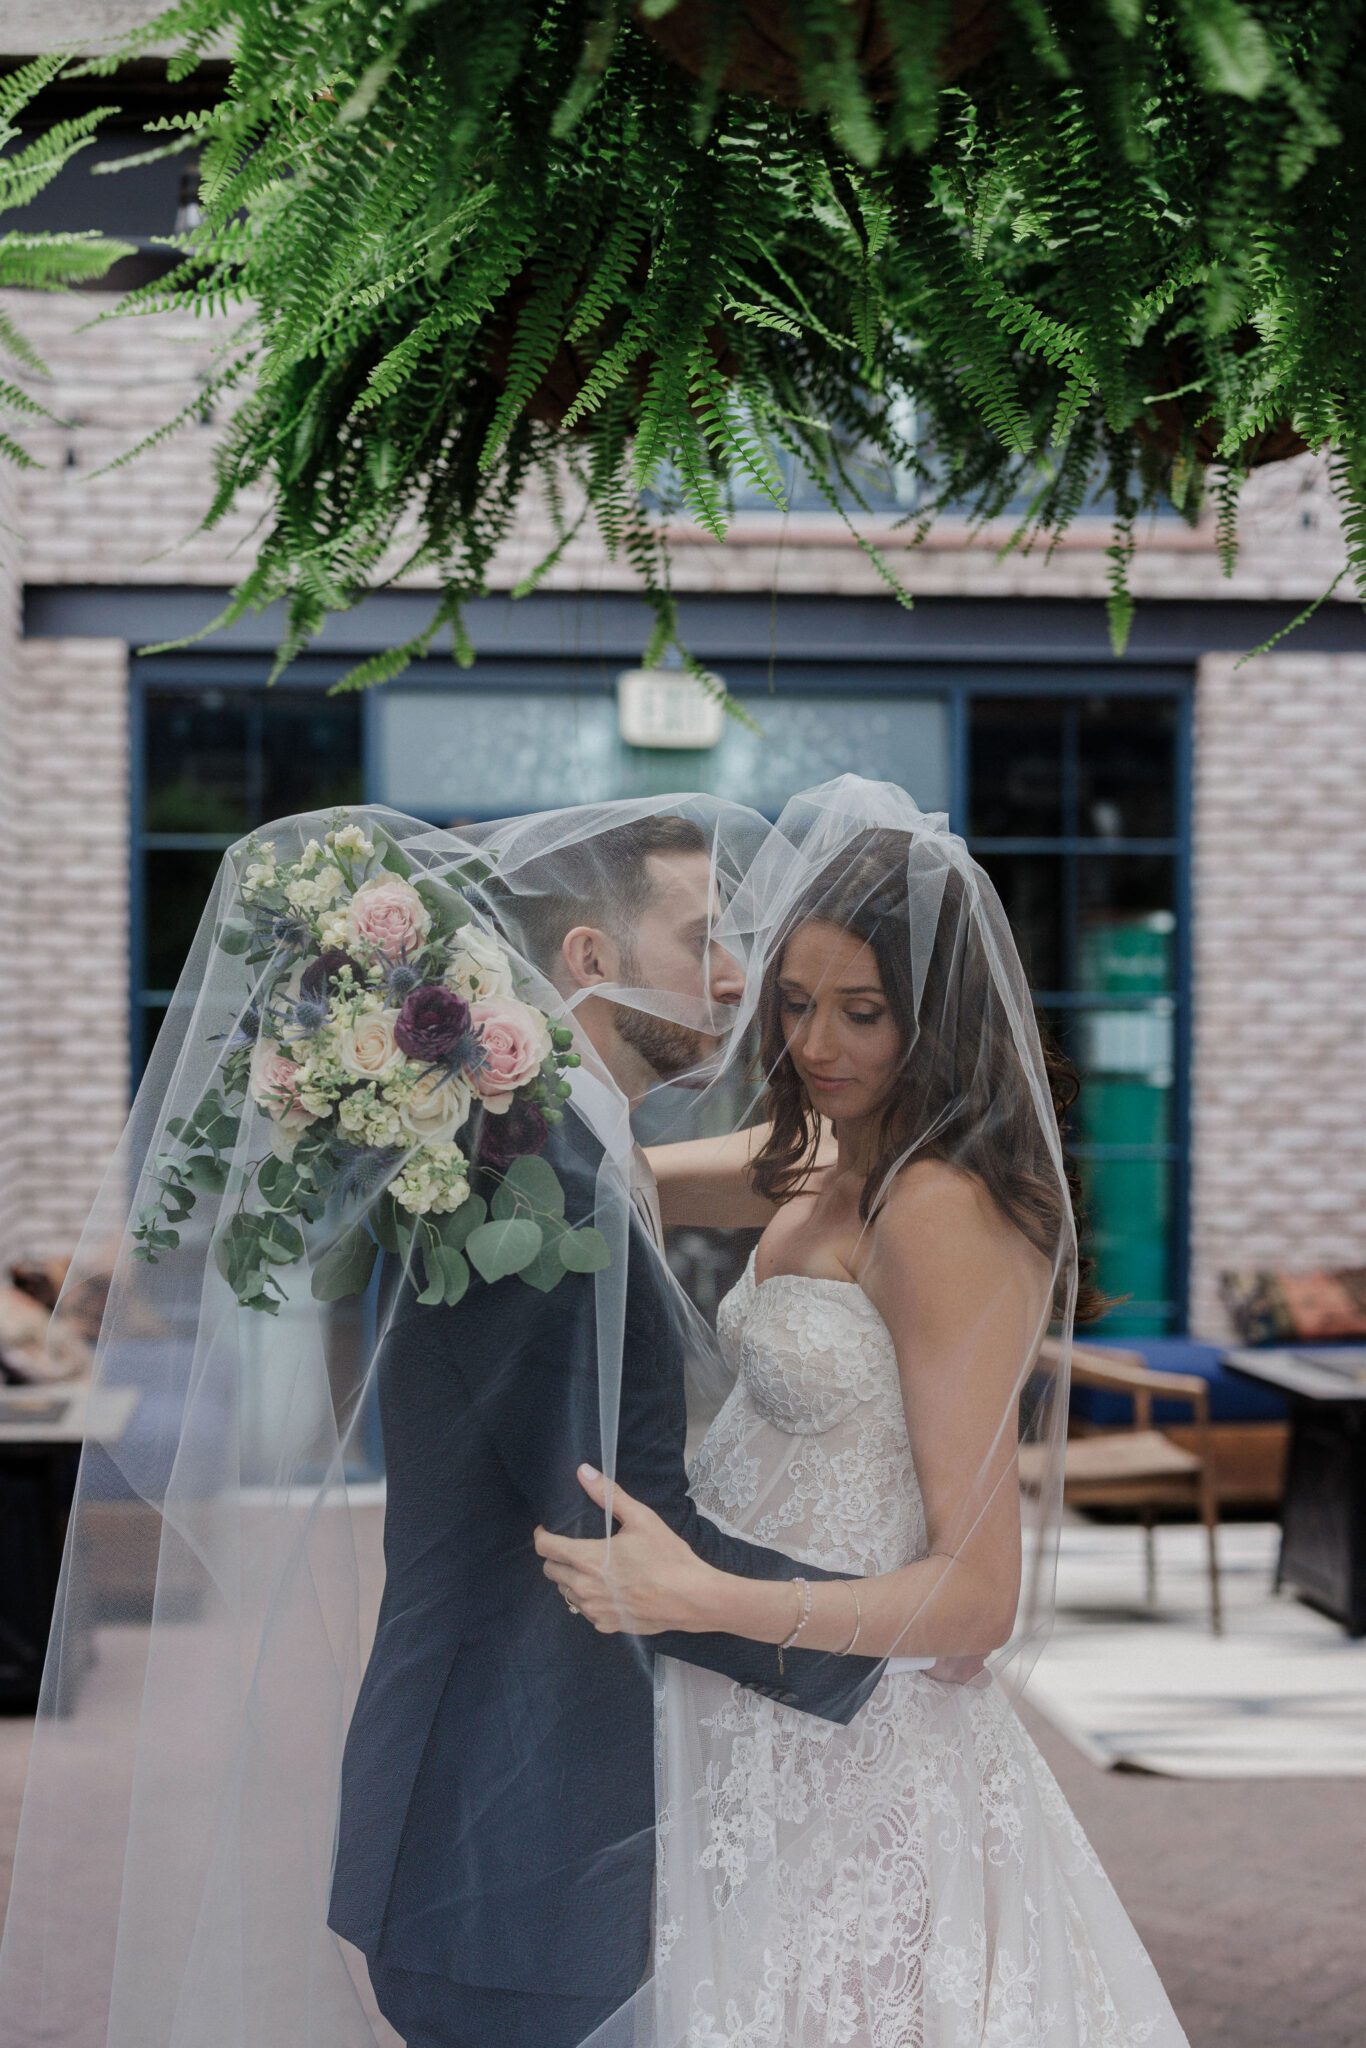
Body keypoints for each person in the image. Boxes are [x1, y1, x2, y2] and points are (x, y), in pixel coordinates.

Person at [536, 786, 1192, 2047]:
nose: (817, 1041)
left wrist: (704, 1597)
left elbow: (976, 1594)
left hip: (851, 1724)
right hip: (749, 1692)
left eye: (861, 1011)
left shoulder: (937, 1206)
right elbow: (618, 1176)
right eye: (794, 1002)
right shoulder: (827, 1151)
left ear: (934, 1019)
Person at [327, 804, 887, 2048]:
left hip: (505, 1811)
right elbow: (620, 1538)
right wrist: (888, 1639)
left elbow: (795, 1160)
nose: (738, 977)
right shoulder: (544, 1192)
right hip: (515, 1836)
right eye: (702, 939)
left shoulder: (556, 1150)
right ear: (589, 958)